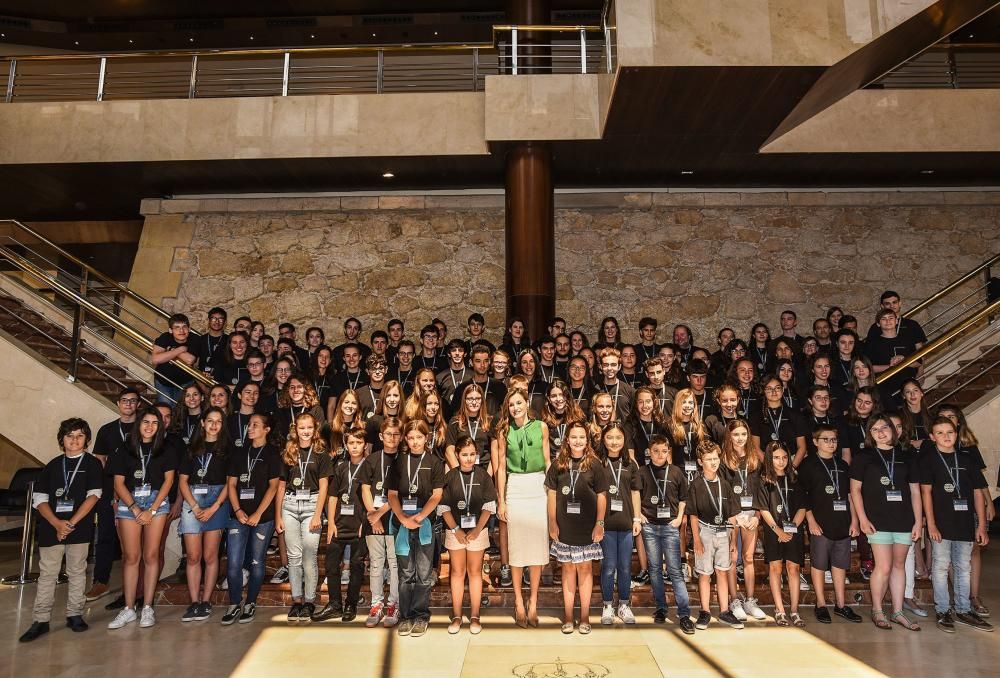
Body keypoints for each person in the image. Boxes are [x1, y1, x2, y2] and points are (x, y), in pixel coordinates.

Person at [19, 418, 103, 642]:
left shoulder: (92, 464)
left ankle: (74, 614)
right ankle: (41, 619)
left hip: (80, 526)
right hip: (51, 527)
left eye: (79, 436)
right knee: (48, 574)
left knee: (77, 571)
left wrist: (71, 523)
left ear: (87, 439)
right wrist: (57, 523)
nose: (74, 440)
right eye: (69, 436)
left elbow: (94, 495)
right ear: (62, 440)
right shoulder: (53, 465)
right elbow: (40, 499)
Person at [850, 414, 923, 631]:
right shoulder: (864, 456)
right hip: (877, 520)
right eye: (875, 429)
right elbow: (854, 490)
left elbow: (915, 491)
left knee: (899, 566)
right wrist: (862, 519)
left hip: (903, 519)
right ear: (869, 434)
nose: (881, 432)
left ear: (893, 429)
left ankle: (898, 612)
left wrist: (918, 522)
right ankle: (878, 610)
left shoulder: (906, 455)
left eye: (884, 427)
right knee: (883, 566)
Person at [919, 416, 993, 633]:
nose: (946, 437)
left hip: (965, 524)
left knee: (963, 567)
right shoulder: (929, 460)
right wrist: (931, 524)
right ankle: (943, 610)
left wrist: (980, 525)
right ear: (932, 437)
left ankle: (963, 609)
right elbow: (926, 493)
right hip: (941, 524)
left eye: (949, 432)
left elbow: (977, 493)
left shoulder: (967, 459)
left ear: (956, 433)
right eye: (940, 433)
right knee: (941, 567)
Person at [108, 407, 177, 629]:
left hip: (157, 504)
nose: (149, 427)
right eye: (145, 422)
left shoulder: (166, 449)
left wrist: (152, 510)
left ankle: (147, 606)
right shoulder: (124, 449)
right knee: (130, 557)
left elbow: (168, 481)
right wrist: (136, 509)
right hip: (131, 504)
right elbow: (118, 483)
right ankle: (128, 608)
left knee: (151, 555)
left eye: (154, 423)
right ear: (138, 424)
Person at [494, 388, 551, 628]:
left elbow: (547, 461)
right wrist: (502, 500)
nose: (516, 408)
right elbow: (500, 468)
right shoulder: (504, 431)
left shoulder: (542, 427)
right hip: (516, 487)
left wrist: (551, 493)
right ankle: (518, 601)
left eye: (519, 403)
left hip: (538, 485)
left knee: (537, 549)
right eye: (511, 405)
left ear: (527, 403)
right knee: (516, 550)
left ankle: (533, 602)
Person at [545, 420, 608, 635]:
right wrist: (552, 522)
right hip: (564, 526)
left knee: (585, 569)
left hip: (588, 527)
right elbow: (552, 495)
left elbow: (602, 496)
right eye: (574, 437)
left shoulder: (595, 464)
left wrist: (600, 523)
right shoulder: (558, 464)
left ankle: (584, 616)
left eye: (582, 437)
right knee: (568, 569)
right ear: (567, 440)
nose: (578, 441)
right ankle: (569, 616)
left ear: (587, 440)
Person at [935, 403, 995, 617]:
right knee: (947, 556)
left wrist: (989, 503)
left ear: (958, 420)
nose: (948, 419)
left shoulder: (968, 447)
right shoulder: (934, 450)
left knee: (972, 551)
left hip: (970, 504)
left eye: (951, 416)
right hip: (945, 508)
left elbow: (979, 482)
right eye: (943, 417)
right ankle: (954, 597)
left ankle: (973, 596)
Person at [799, 424, 863, 624]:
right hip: (820, 523)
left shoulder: (843, 465)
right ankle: (820, 604)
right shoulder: (808, 465)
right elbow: (803, 496)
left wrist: (854, 520)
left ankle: (841, 605)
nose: (830, 443)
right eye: (825, 439)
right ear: (815, 442)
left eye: (833, 439)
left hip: (843, 522)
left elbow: (850, 495)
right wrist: (810, 521)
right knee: (818, 564)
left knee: (839, 565)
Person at [222, 413, 281, 625]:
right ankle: (234, 603)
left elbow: (274, 486)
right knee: (234, 563)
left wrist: (257, 514)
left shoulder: (273, 453)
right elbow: (231, 485)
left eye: (256, 424)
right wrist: (237, 510)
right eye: (249, 424)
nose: (250, 427)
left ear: (267, 429)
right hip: (238, 516)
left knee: (257, 562)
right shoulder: (239, 452)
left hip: (262, 517)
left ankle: (251, 602)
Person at [388, 420, 446, 638]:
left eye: (419, 437)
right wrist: (403, 518)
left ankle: (421, 615)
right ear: (406, 439)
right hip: (402, 522)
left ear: (426, 438)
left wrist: (420, 516)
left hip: (425, 523)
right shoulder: (399, 461)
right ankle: (405, 616)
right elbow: (392, 495)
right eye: (410, 438)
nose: (415, 442)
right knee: (406, 574)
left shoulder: (434, 462)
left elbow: (437, 494)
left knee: (423, 573)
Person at [275, 412, 332, 623]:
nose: (305, 431)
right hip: (289, 506)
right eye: (301, 428)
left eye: (309, 428)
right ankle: (296, 601)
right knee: (294, 557)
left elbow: (325, 485)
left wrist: (319, 514)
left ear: (314, 429)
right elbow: (281, 486)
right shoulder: (288, 453)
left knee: (309, 556)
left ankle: (309, 601)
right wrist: (278, 515)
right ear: (295, 430)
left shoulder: (321, 453)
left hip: (311, 506)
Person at [178, 407, 232, 622]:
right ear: (202, 423)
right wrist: (195, 507)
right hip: (193, 501)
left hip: (217, 501)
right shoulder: (191, 448)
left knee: (211, 556)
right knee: (193, 556)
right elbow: (182, 481)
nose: (213, 425)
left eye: (218, 421)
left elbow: (231, 483)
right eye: (210, 420)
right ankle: (194, 602)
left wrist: (214, 507)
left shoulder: (227, 449)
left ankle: (206, 601)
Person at [439, 435, 497, 635]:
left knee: (474, 572)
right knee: (457, 572)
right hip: (454, 531)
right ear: (457, 455)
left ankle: (474, 615)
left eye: (472, 454)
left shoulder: (483, 476)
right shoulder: (450, 477)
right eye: (464, 455)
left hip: (477, 531)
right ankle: (456, 615)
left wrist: (476, 530)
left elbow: (489, 507)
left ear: (477, 455)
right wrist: (456, 529)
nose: (469, 458)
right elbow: (443, 506)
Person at [86, 387, 139, 603]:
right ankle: (101, 581)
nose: (128, 404)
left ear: (139, 404)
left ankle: (135, 586)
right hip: (110, 489)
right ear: (118, 404)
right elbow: (100, 460)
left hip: (138, 489)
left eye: (132, 401)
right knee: (106, 535)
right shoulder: (107, 430)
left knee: (134, 543)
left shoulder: (144, 427)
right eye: (124, 401)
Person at [637, 435, 694, 633]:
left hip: (670, 527)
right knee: (654, 569)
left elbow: (683, 498)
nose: (660, 454)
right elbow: (635, 494)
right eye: (655, 451)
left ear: (668, 451)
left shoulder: (676, 472)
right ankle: (661, 607)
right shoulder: (643, 472)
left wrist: (679, 518)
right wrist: (639, 515)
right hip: (650, 527)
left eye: (663, 451)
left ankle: (684, 613)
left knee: (675, 571)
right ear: (649, 452)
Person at [314, 429, 369, 622]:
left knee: (356, 566)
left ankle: (351, 604)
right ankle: (335, 604)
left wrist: (365, 523)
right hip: (338, 525)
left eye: (358, 442)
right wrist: (330, 523)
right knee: (331, 566)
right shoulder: (340, 467)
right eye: (351, 442)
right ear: (346, 445)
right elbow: (333, 497)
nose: (354, 446)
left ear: (365, 445)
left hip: (359, 525)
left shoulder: (369, 467)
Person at [688, 440, 742, 630]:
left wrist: (733, 539)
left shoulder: (725, 484)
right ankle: (705, 611)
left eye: (715, 458)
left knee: (722, 571)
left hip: (724, 532)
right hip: (705, 531)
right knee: (705, 573)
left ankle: (725, 611)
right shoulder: (696, 485)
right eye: (708, 459)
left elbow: (733, 515)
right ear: (700, 462)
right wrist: (696, 540)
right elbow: (693, 515)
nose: (713, 462)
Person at [719, 419, 766, 622]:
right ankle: (734, 600)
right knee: (732, 557)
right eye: (736, 434)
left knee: (748, 558)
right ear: (729, 437)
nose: (740, 438)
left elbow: (761, 491)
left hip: (751, 515)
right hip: (732, 516)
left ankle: (749, 600)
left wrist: (757, 516)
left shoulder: (755, 459)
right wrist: (734, 516)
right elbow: (721, 492)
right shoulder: (723, 461)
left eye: (743, 434)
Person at [757, 442, 807, 627]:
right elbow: (763, 509)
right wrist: (778, 530)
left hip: (793, 531)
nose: (781, 461)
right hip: (774, 532)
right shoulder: (764, 480)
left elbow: (802, 507)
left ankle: (794, 610)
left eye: (784, 457)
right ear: (769, 458)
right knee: (775, 568)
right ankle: (780, 610)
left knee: (793, 569)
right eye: (776, 457)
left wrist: (790, 528)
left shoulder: (794, 479)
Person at [360, 416, 403, 628]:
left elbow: (399, 494)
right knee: (376, 563)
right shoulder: (372, 459)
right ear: (380, 436)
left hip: (395, 517)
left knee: (394, 563)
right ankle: (376, 604)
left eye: (396, 434)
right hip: (373, 517)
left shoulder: (404, 459)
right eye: (388, 434)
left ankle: (393, 604)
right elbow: (365, 487)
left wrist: (380, 514)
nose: (392, 438)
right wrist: (372, 513)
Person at [597, 423, 641, 626]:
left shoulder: (630, 464)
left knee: (624, 567)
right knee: (608, 566)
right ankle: (607, 604)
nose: (614, 442)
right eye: (610, 438)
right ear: (603, 439)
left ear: (624, 441)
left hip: (625, 522)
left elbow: (634, 492)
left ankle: (623, 604)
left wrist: (637, 518)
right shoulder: (597, 463)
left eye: (618, 438)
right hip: (604, 523)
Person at [750, 376, 807, 468]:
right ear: (764, 391)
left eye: (777, 388)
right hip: (765, 462)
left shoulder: (796, 415)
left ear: (783, 390)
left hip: (791, 461)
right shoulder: (756, 416)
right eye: (769, 389)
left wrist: (791, 468)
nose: (774, 392)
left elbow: (802, 447)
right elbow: (755, 447)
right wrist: (769, 468)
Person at [151, 313, 197, 405]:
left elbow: (189, 360)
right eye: (177, 327)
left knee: (180, 411)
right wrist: (179, 350)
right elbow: (155, 359)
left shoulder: (195, 339)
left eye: (184, 327)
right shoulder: (165, 337)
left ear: (189, 329)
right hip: (163, 381)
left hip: (185, 382)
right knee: (165, 409)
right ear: (170, 330)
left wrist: (169, 351)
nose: (181, 330)